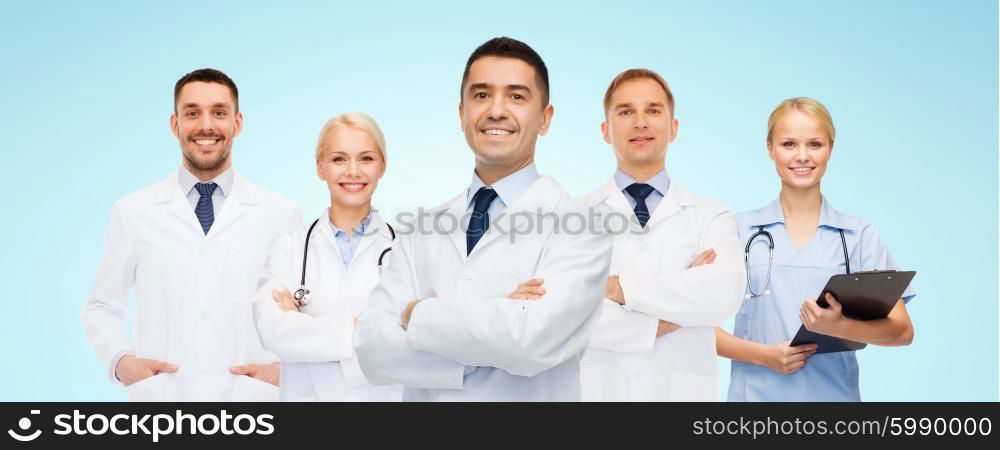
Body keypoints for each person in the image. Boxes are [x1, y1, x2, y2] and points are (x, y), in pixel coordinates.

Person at [354, 37, 612, 401]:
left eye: (517, 97)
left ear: (545, 118)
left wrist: (419, 315)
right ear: (461, 114)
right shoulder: (420, 229)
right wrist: (495, 325)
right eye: (481, 95)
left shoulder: (583, 227)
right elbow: (371, 349)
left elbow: (529, 341)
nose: (496, 110)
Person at [82, 68, 302, 401]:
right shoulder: (133, 212)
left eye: (219, 112)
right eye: (192, 113)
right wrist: (122, 363)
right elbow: (102, 306)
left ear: (237, 123)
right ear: (175, 125)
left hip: (253, 403)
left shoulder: (280, 213)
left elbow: (301, 312)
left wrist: (286, 370)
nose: (206, 126)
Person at [716, 97, 916, 402]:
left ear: (830, 149)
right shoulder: (737, 231)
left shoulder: (858, 236)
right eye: (788, 144)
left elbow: (902, 332)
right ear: (770, 148)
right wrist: (764, 356)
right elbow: (691, 327)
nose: (802, 156)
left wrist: (842, 326)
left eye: (815, 144)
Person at [578, 68, 745, 401]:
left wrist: (617, 288)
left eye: (653, 111)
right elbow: (562, 316)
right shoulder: (570, 217)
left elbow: (725, 293)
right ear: (605, 131)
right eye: (625, 112)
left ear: (673, 128)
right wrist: (668, 315)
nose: (640, 122)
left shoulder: (711, 215)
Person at [253, 113, 401, 401]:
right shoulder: (289, 246)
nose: (353, 171)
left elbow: (410, 340)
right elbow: (272, 331)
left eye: (366, 158)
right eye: (339, 159)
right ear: (320, 168)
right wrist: (364, 328)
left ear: (382, 166)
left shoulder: (406, 250)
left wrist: (303, 329)